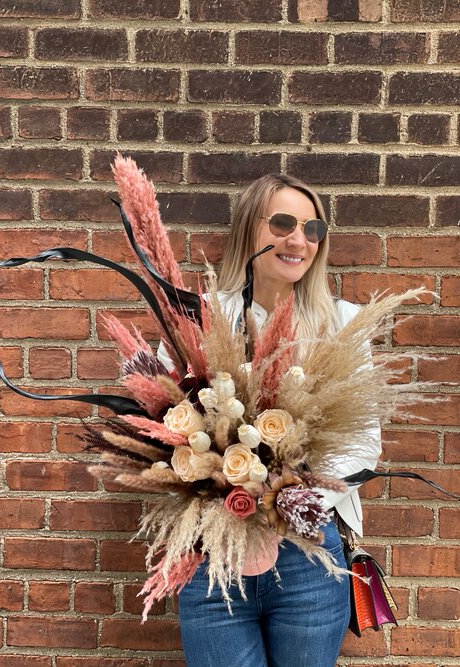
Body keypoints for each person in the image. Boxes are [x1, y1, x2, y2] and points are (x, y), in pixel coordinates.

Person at [158, 173, 381, 667]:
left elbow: (363, 442)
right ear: (248, 231)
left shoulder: (343, 321)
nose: (298, 240)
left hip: (308, 548)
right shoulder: (202, 317)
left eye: (312, 228)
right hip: (216, 548)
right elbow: (163, 422)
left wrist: (289, 503)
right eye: (281, 223)